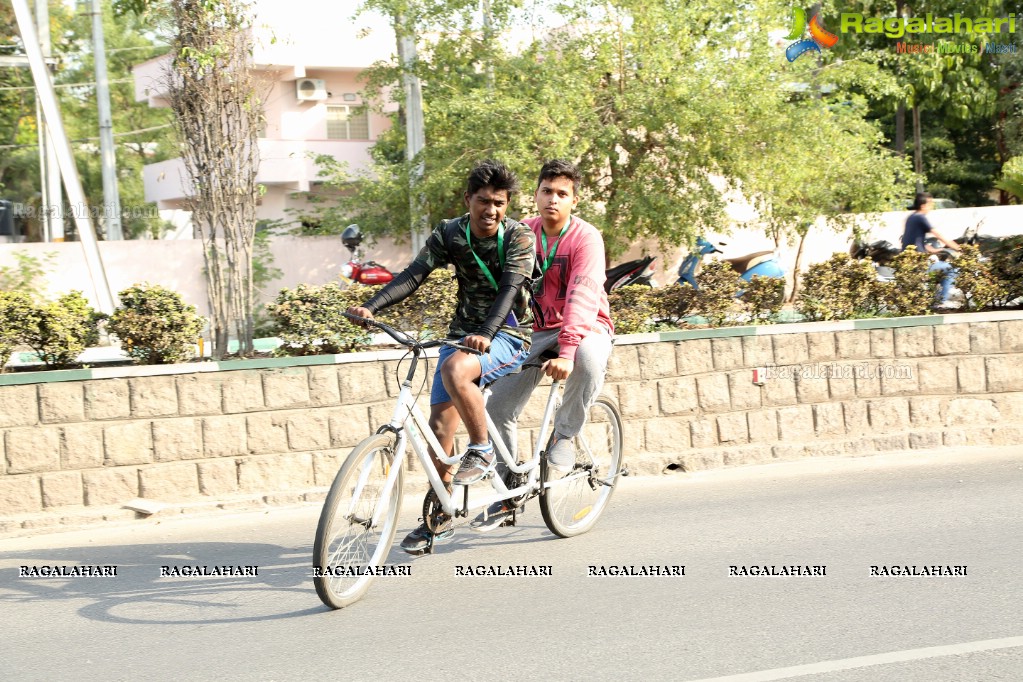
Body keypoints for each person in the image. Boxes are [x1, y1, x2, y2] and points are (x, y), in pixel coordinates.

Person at [347, 160, 536, 554]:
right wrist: (372, 306)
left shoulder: (518, 237)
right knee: (438, 427)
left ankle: (482, 449)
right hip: (463, 335)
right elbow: (414, 274)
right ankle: (440, 517)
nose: (491, 210)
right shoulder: (450, 234)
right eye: (483, 201)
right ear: (467, 199)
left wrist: (486, 333)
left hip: (509, 333)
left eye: (499, 203)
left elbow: (508, 289)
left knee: (454, 368)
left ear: (507, 204)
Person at [471, 159, 615, 531]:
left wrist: (566, 351)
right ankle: (509, 489)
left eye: (562, 194)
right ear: (535, 195)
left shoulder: (586, 238)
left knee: (586, 359)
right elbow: (501, 289)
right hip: (534, 331)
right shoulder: (520, 233)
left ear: (573, 201)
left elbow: (583, 296)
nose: (553, 199)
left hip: (586, 326)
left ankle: (565, 435)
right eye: (547, 191)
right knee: (497, 406)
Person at [901, 191, 961, 304]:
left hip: (909, 261)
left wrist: (934, 250)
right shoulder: (920, 217)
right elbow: (938, 235)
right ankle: (940, 302)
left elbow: (914, 240)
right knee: (950, 269)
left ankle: (933, 300)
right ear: (923, 206)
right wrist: (958, 248)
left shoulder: (911, 218)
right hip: (918, 263)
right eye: (930, 204)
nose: (931, 207)